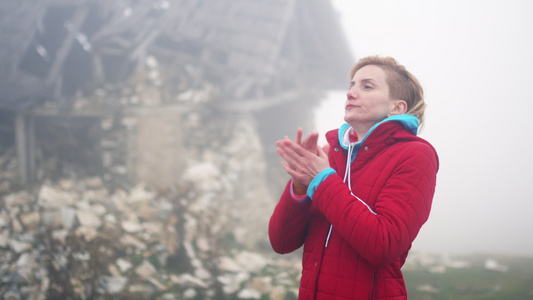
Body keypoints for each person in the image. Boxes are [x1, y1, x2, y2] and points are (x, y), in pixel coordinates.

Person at [269, 56, 439, 300]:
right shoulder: (331, 155)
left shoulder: (416, 155)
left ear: (397, 107)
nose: (351, 93)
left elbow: (383, 245)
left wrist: (323, 180)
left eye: (367, 86)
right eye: (351, 86)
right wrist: (300, 186)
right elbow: (281, 243)